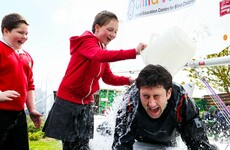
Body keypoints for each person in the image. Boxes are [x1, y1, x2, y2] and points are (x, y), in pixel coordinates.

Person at [43, 10, 147, 150]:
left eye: (116, 31)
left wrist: (129, 80)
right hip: (68, 101)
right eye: (110, 29)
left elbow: (108, 77)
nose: (113, 35)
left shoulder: (102, 48)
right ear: (97, 27)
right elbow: (99, 56)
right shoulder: (87, 41)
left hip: (86, 103)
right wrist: (133, 52)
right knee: (71, 146)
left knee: (84, 145)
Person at [112, 64, 218, 150]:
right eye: (146, 96)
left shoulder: (181, 102)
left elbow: (198, 144)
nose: (152, 103)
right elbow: (120, 145)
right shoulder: (130, 102)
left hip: (168, 141)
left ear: (168, 93)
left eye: (157, 96)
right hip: (139, 139)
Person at [0, 13, 42, 150]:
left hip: (19, 115)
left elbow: (30, 85)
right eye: (20, 32)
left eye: (27, 33)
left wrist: (32, 109)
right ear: (6, 31)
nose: (24, 37)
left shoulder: (27, 57)